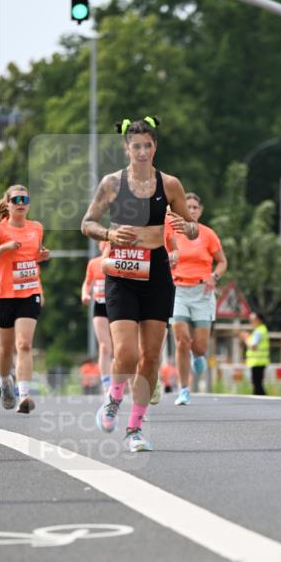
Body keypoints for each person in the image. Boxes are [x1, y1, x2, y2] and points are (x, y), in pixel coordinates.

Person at [81, 116, 196, 452]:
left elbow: (192, 229)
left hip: (157, 272)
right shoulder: (112, 184)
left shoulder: (170, 184)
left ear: (155, 147)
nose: (143, 151)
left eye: (148, 145)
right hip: (121, 273)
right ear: (127, 148)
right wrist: (108, 233)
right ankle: (113, 399)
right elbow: (87, 222)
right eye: (137, 146)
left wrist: (184, 226)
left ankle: (134, 429)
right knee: (127, 353)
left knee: (150, 357)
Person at [164, 191, 226, 405]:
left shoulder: (207, 234)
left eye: (194, 208)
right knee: (181, 340)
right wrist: (169, 260)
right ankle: (184, 390)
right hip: (178, 290)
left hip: (202, 292)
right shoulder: (171, 233)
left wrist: (213, 276)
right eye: (187, 207)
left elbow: (222, 262)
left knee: (199, 346)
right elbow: (160, 256)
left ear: (200, 212)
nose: (190, 211)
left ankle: (197, 355)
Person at [0, 184, 50, 413]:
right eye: (16, 199)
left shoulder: (36, 227)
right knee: (5, 349)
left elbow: (34, 256)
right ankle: (5, 381)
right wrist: (4, 247)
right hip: (4, 294)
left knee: (24, 344)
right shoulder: (0, 229)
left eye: (25, 200)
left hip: (29, 292)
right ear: (8, 204)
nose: (21, 203)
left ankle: (24, 395)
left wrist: (42, 255)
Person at [81, 241, 112, 393]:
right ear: (100, 246)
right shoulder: (94, 263)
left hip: (118, 307)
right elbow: (87, 283)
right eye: (105, 245)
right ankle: (106, 385)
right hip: (100, 305)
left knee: (119, 348)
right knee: (105, 347)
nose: (107, 247)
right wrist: (85, 294)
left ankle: (120, 382)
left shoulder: (118, 263)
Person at [241, 310, 269, 395]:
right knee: (258, 383)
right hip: (259, 361)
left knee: (257, 384)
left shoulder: (258, 331)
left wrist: (246, 338)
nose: (251, 322)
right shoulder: (261, 330)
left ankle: (261, 401)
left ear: (259, 320)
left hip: (257, 362)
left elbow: (253, 346)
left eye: (253, 319)